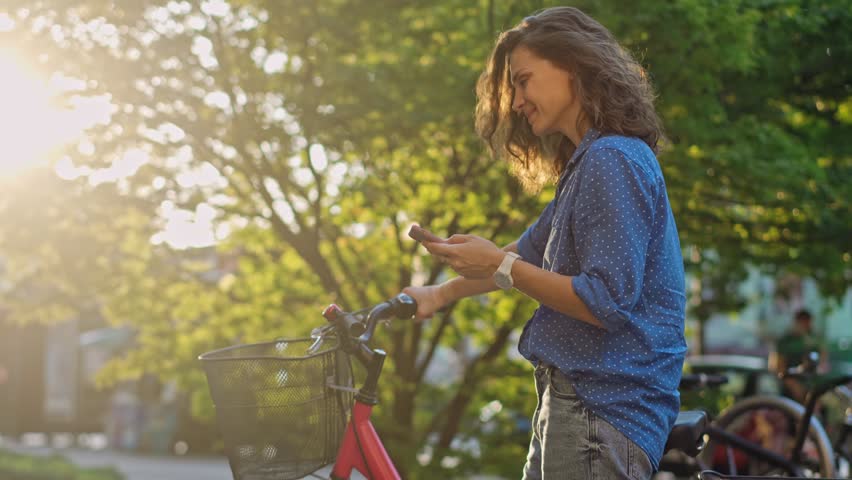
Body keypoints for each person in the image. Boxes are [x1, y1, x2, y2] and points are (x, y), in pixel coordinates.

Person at [402, 7, 686, 479]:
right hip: (576, 405)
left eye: (523, 80)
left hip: (602, 413)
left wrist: (499, 264)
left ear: (572, 65)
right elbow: (526, 254)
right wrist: (441, 292)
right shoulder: (588, 162)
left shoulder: (612, 159)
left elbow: (605, 301)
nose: (515, 101)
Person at [770, 309, 829, 403]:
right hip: (791, 388)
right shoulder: (786, 341)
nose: (806, 325)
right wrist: (793, 385)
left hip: (812, 387)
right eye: (803, 322)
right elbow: (779, 367)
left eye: (808, 322)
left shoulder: (816, 339)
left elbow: (823, 363)